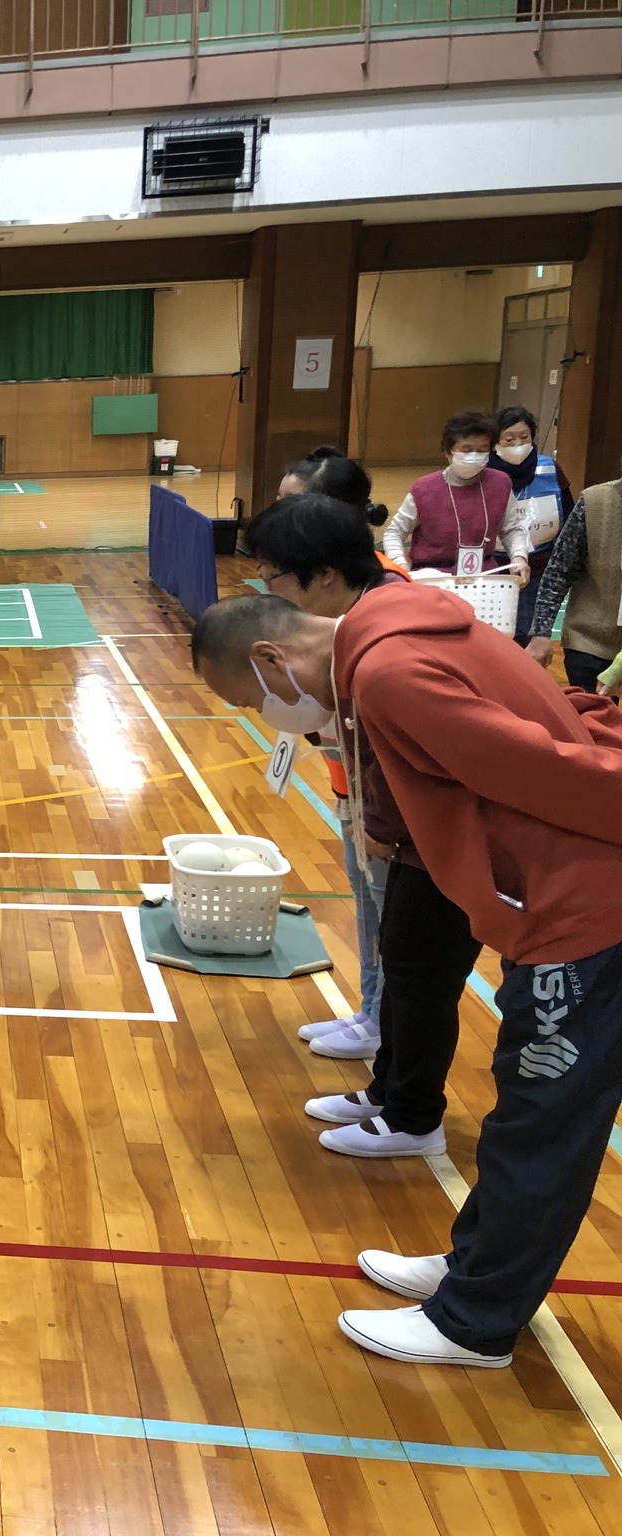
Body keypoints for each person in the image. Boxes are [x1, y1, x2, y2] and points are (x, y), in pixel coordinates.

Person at [188, 588, 622, 1367]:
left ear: (271, 659)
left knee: (542, 1122)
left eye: (252, 701)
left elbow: (541, 769)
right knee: (529, 1111)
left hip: (582, 904)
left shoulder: (387, 673)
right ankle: (475, 1270)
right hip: (566, 892)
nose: (264, 715)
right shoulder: (399, 621)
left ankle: (475, 1321)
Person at [247, 495, 486, 1164]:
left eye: (275, 576)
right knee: (405, 964)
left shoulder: (387, 643)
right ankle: (389, 1092)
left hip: (449, 836)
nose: (270, 590)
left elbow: (421, 752)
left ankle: (415, 1116)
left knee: (421, 974)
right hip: (408, 832)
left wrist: (382, 822)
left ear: (322, 573)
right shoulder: (364, 624)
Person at [255, 462, 394, 1063]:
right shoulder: (330, 613)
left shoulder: (384, 622)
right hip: (353, 788)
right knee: (368, 905)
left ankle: (395, 1066)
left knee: (396, 924)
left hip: (390, 814)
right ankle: (373, 1014)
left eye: (274, 573)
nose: (266, 586)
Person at [382, 409, 530, 582]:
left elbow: (512, 528)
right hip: (432, 577)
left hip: (484, 576)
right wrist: (401, 566)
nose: (474, 455)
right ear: (448, 452)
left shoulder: (501, 483)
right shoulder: (424, 488)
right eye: (466, 450)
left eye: (482, 450)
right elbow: (395, 532)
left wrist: (519, 556)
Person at [524, 452, 621, 692]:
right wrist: (541, 633)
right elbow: (558, 572)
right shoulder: (594, 502)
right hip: (590, 638)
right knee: (590, 720)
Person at [490, 406, 574, 646]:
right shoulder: (483, 472)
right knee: (496, 636)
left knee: (530, 636)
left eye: (524, 437)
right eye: (509, 438)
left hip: (539, 569)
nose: (517, 443)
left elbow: (568, 513)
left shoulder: (550, 469)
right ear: (496, 441)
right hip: (495, 570)